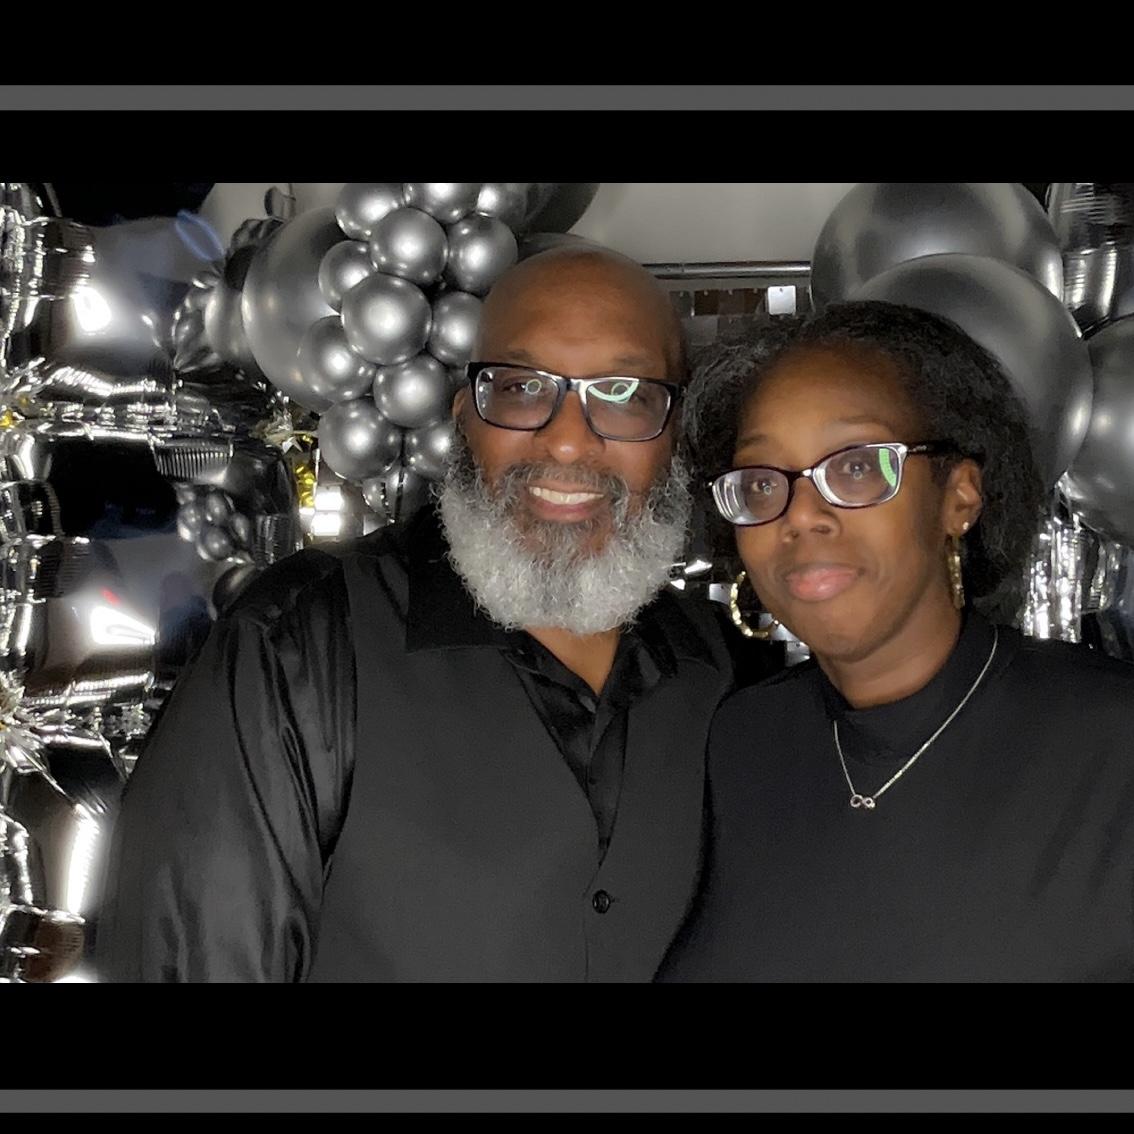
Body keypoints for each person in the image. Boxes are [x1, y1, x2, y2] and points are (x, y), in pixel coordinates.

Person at [96, 244, 775, 983]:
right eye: (521, 387)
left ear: (674, 436)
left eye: (622, 392)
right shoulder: (301, 646)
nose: (568, 440)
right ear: (464, 418)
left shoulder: (721, 670)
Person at [657, 300, 1134, 982]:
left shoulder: (1113, 747)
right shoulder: (740, 743)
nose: (803, 516)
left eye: (856, 467)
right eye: (762, 482)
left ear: (959, 496)